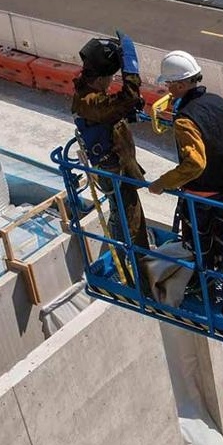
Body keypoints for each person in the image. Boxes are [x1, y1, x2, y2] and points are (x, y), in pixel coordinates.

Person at [148, 50, 223, 285]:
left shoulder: (184, 119)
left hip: (204, 197)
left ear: (180, 85)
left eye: (170, 83)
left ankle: (203, 283)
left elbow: (195, 164)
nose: (168, 88)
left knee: (200, 245)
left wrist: (163, 183)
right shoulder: (220, 103)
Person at [72, 33, 149, 278]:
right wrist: (130, 65)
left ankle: (132, 260)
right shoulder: (90, 102)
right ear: (100, 78)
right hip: (114, 172)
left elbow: (113, 114)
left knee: (123, 214)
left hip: (118, 166)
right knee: (130, 220)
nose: (112, 81)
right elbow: (127, 96)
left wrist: (127, 114)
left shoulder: (91, 97)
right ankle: (136, 270)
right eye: (111, 77)